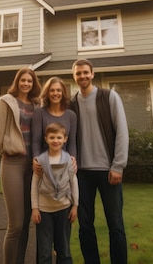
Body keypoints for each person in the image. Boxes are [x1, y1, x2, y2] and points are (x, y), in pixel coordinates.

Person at [69, 58, 129, 264]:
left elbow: (122, 132)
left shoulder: (109, 97)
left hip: (108, 171)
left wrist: (118, 165)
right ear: (74, 77)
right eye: (78, 73)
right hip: (82, 174)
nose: (83, 76)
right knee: (85, 226)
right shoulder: (71, 104)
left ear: (92, 74)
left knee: (116, 225)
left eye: (86, 72)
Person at [0, 68, 41, 264]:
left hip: (32, 167)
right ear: (17, 82)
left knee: (26, 222)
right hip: (12, 163)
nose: (26, 84)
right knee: (16, 225)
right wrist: (5, 148)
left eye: (29, 81)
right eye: (23, 80)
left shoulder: (37, 105)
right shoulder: (6, 101)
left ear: (33, 83)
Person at [31, 123, 79, 264]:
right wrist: (35, 208)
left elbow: (73, 182)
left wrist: (75, 206)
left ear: (65, 139)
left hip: (64, 208)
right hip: (44, 210)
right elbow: (34, 185)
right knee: (45, 251)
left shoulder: (69, 161)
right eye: (52, 137)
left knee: (63, 249)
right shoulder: (40, 161)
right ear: (46, 139)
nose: (55, 140)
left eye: (59, 137)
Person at [31, 76, 77, 160]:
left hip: (64, 163)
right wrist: (36, 158)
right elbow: (36, 141)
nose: (55, 93)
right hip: (44, 162)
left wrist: (73, 158)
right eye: (52, 90)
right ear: (47, 93)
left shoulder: (71, 115)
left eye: (59, 90)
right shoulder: (39, 113)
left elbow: (72, 143)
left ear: (63, 92)